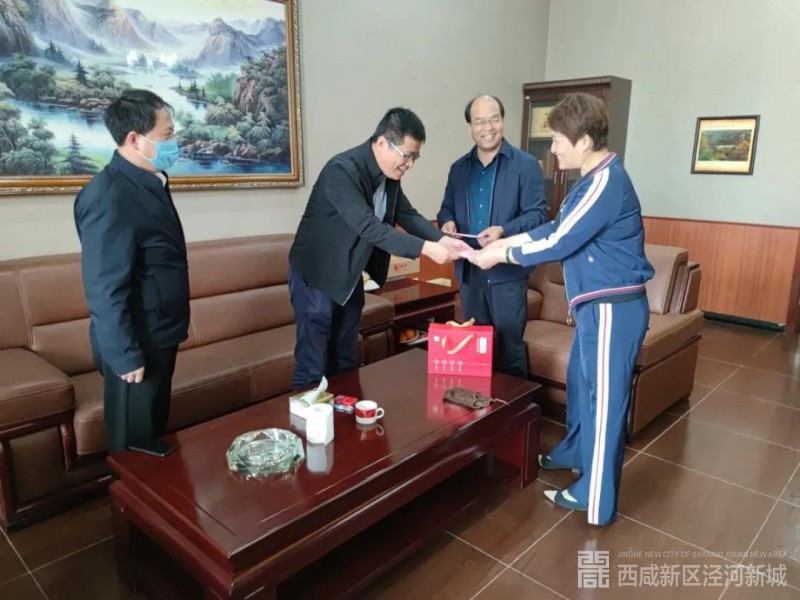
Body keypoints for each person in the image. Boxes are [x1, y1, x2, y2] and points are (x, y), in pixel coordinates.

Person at [463, 92, 654, 526]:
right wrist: (504, 242)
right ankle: (574, 452)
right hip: (592, 308)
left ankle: (595, 496)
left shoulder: (606, 182)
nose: (552, 149)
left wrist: (500, 256)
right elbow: (554, 227)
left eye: (558, 140)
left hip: (613, 310)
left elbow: (559, 242)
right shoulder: (588, 180)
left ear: (583, 141)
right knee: (583, 388)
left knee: (605, 403)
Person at [289, 108, 470, 390]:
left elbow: (406, 214)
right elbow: (370, 227)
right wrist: (427, 249)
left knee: (345, 357)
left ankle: (345, 415)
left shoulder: (389, 175)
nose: (410, 164)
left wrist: (442, 240)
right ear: (383, 142)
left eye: (415, 157)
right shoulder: (342, 170)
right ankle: (306, 417)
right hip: (317, 274)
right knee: (312, 365)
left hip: (349, 275)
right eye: (407, 155)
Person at [74, 89, 188, 456]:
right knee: (132, 443)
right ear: (135, 139)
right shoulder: (108, 195)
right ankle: (127, 495)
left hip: (160, 331)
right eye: (167, 134)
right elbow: (104, 286)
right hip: (136, 340)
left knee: (153, 429)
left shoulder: (149, 180)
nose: (174, 140)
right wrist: (124, 354)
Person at [437, 95, 547, 378]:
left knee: (510, 348)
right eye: (480, 121)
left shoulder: (525, 165)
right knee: (474, 346)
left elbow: (537, 215)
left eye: (494, 119)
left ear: (502, 121)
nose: (488, 127)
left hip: (507, 271)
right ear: (470, 127)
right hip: (469, 270)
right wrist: (447, 221)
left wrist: (502, 230)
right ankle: (478, 405)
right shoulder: (458, 169)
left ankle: (514, 406)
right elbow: (446, 208)